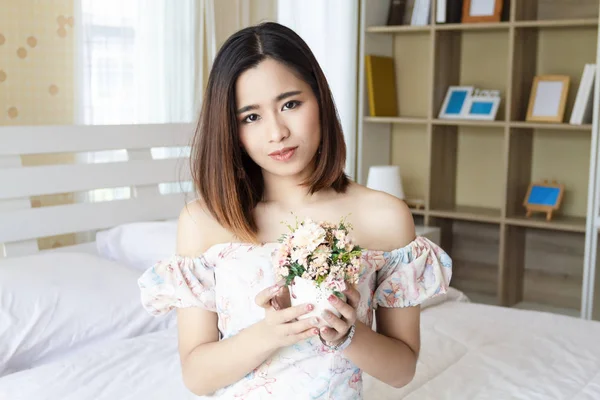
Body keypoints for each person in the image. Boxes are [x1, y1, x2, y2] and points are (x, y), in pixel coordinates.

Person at [138, 21, 452, 399]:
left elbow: (402, 371)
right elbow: (197, 377)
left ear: (319, 99)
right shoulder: (204, 222)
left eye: (290, 104)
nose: (277, 133)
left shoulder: (383, 216)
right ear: (231, 130)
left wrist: (348, 334)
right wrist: (269, 333)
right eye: (250, 117)